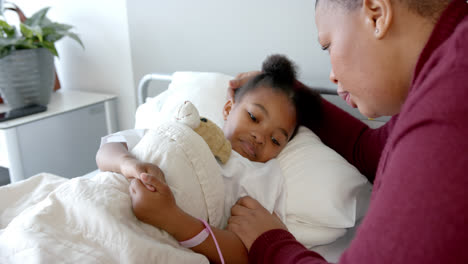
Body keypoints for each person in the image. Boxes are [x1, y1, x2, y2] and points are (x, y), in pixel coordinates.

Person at [226, 0, 468, 263]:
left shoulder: (450, 109)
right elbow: (368, 150)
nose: (332, 75)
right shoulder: (442, 72)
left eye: (328, 46)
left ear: (376, 14)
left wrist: (271, 242)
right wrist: (282, 92)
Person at [96, 54, 322, 264]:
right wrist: (129, 164)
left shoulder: (263, 177)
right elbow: (109, 146)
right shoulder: (192, 126)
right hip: (107, 207)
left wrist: (171, 218)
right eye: (253, 117)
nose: (260, 136)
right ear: (228, 109)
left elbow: (246, 252)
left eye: (276, 140)